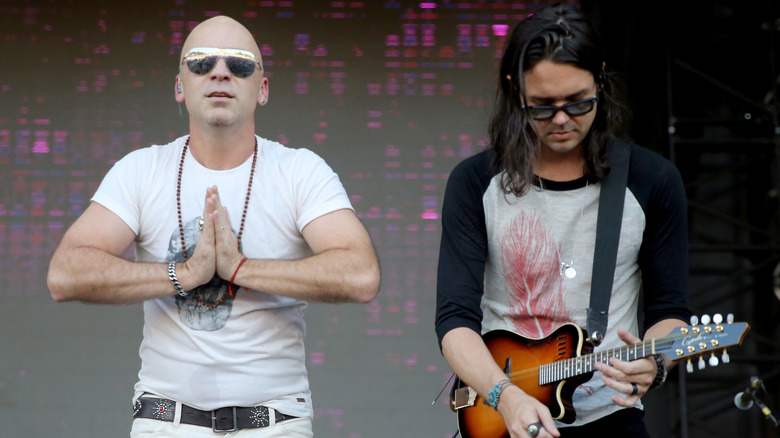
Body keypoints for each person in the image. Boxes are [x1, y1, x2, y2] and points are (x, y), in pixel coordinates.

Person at [47, 15, 380, 437]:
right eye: (201, 61)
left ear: (262, 89)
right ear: (179, 86)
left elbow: (361, 274)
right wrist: (184, 274)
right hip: (165, 420)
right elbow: (65, 274)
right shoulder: (141, 170)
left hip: (275, 421)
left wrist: (240, 269)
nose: (220, 71)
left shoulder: (300, 171)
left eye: (240, 63)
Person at [435, 4, 690, 438]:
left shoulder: (652, 180)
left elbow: (672, 312)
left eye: (577, 103)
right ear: (516, 92)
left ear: (601, 80)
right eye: (542, 106)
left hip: (609, 416)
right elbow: (454, 320)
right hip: (501, 411)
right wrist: (505, 396)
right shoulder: (475, 181)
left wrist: (657, 361)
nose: (560, 120)